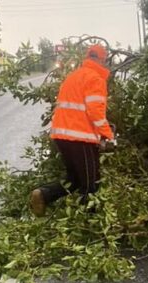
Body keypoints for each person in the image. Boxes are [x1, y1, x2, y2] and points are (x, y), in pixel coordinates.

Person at [29, 44, 115, 216]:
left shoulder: (73, 76)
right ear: (102, 59)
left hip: (62, 136)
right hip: (80, 138)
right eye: (105, 61)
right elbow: (95, 112)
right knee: (91, 183)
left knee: (73, 179)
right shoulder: (95, 79)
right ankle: (88, 222)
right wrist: (109, 136)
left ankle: (44, 195)